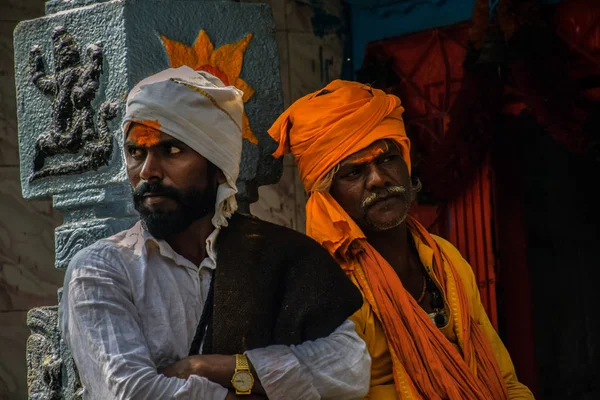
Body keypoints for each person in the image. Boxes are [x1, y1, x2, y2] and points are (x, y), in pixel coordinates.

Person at [59, 67, 371, 400]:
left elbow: (349, 368)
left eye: (172, 151)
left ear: (216, 164)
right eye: (137, 152)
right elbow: (130, 392)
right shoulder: (101, 270)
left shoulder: (280, 256)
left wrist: (206, 367)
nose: (148, 171)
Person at [268, 80, 535, 399]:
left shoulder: (445, 258)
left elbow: (503, 378)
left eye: (386, 159)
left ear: (405, 163)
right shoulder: (329, 284)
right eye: (354, 173)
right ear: (328, 196)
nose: (379, 179)